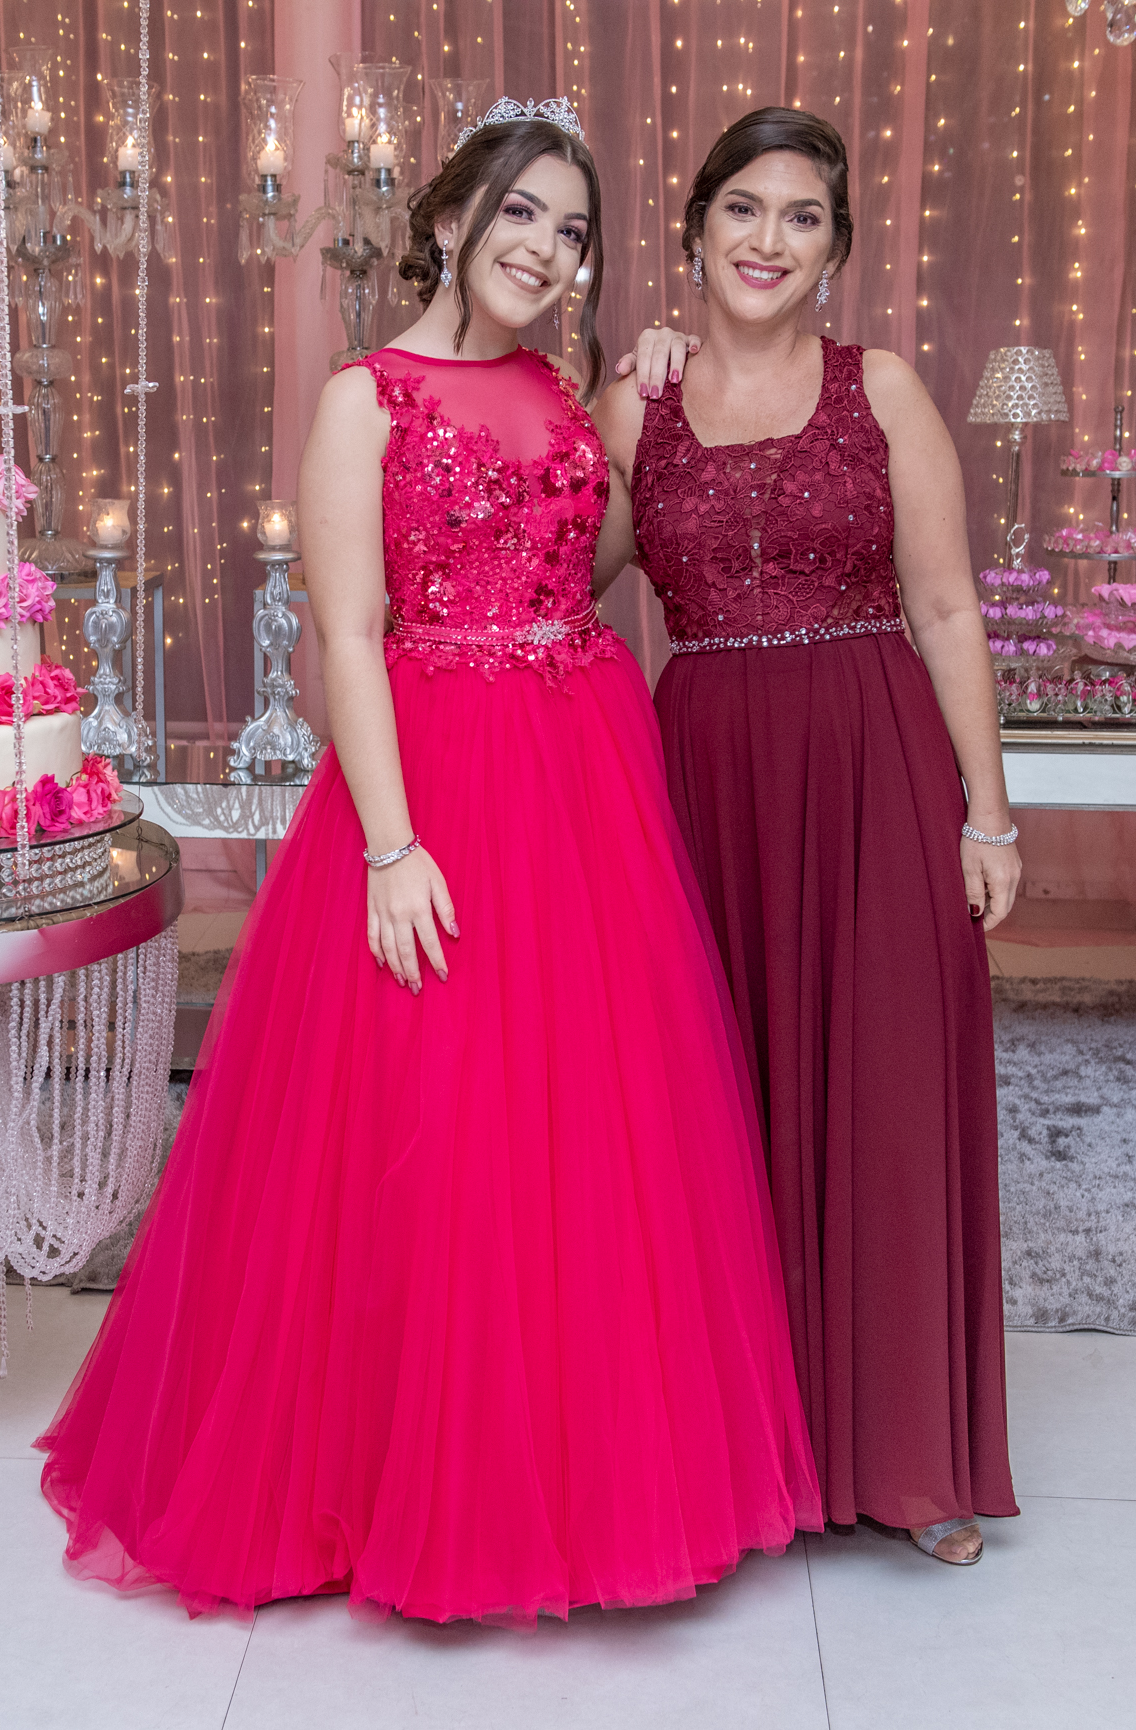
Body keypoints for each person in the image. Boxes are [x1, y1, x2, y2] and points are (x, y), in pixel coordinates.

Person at [35, 101, 820, 1625]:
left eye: (573, 229)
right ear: (452, 219)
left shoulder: (563, 387)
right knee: (433, 1118)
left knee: (582, 1124)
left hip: (584, 766)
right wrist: (393, 847)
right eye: (520, 213)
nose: (546, 248)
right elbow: (346, 634)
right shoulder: (367, 397)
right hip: (435, 772)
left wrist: (647, 396)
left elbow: (593, 557)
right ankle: (408, 1485)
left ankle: (578, 1477)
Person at [595, 106, 1020, 1566]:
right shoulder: (636, 404)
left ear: (834, 250)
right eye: (745, 208)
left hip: (874, 765)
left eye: (803, 217)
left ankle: (908, 1457)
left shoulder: (881, 387)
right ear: (696, 226)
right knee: (712, 1111)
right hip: (702, 781)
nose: (768, 240)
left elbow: (947, 607)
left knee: (890, 1093)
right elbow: (556, 589)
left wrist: (990, 812)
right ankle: (741, 1458)